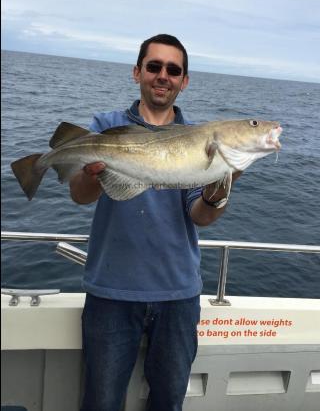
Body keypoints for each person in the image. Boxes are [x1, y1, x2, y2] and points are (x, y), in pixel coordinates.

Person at [70, 34, 240, 411]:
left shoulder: (196, 141)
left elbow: (202, 215)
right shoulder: (106, 125)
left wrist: (219, 188)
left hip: (178, 295)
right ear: (137, 72)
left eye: (173, 70)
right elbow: (80, 196)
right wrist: (93, 173)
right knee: (101, 403)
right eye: (154, 66)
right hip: (111, 292)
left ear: (184, 81)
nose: (163, 75)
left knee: (168, 403)